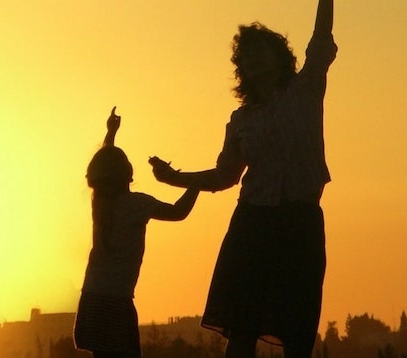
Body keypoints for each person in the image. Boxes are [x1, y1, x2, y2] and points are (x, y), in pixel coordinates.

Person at [149, 0, 337, 357]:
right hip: (252, 225)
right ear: (242, 69)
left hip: (300, 222)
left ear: (279, 55)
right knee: (242, 327)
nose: (252, 58)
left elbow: (321, 38)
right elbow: (224, 176)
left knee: (297, 328)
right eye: (245, 55)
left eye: (259, 50)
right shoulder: (240, 120)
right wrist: (174, 178)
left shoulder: (306, 88)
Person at [73, 107, 200, 358]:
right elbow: (178, 211)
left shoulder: (99, 203)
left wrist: (110, 133)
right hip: (117, 302)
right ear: (128, 174)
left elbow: (106, 164)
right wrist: (196, 183)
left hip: (92, 300)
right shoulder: (137, 204)